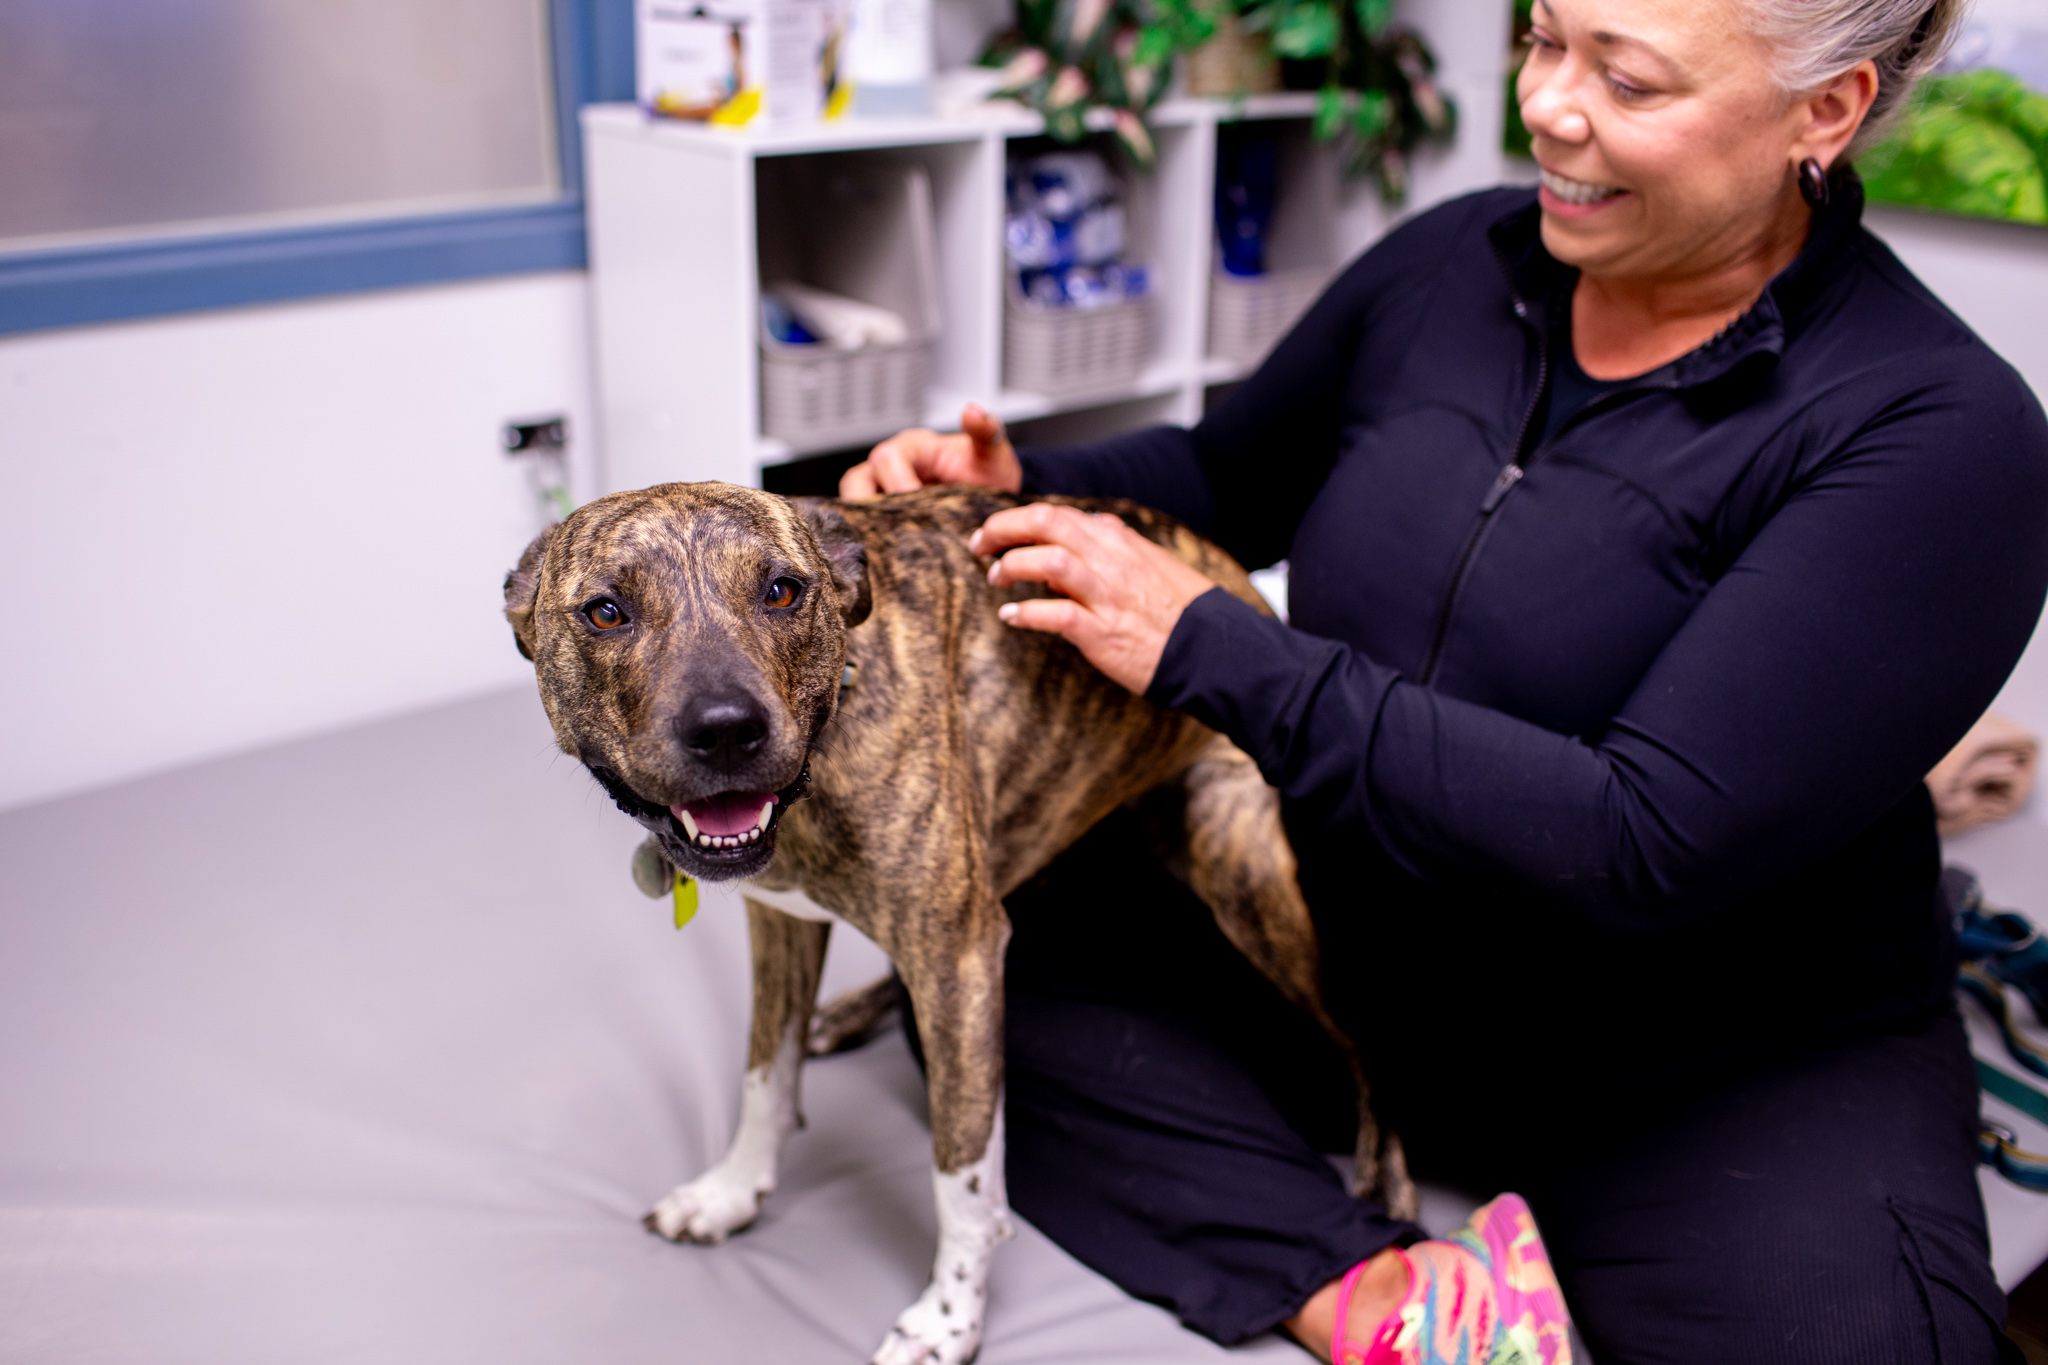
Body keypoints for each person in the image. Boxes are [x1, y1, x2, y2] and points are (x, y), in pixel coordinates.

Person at [841, 0, 2048, 1357]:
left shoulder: (1937, 431)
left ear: (1823, 113)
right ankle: (1390, 1300)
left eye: (1627, 76)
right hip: (1354, 960)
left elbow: (1639, 839)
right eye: (1542, 39)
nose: (1548, 103)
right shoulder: (1455, 262)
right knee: (987, 970)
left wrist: (1210, 646)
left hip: (1705, 1054)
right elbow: (1228, 478)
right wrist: (1024, 492)